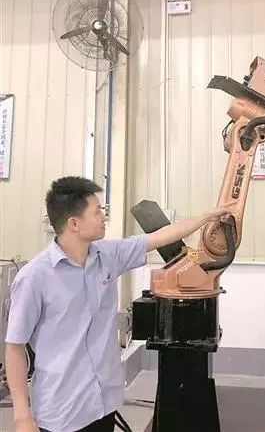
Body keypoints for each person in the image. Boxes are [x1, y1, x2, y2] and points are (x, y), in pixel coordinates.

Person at [5, 176, 230, 432]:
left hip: (103, 403)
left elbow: (162, 236)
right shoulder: (34, 277)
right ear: (74, 223)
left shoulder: (108, 255)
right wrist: (22, 417)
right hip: (62, 412)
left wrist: (208, 217)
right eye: (97, 212)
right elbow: (15, 347)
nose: (104, 217)